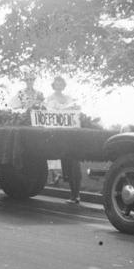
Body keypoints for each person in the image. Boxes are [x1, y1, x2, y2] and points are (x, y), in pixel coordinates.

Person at [45, 76, 82, 204]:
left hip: (69, 133)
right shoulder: (49, 98)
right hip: (55, 132)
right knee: (61, 159)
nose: (59, 85)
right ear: (53, 85)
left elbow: (73, 109)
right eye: (57, 83)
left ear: (63, 85)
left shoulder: (68, 98)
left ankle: (75, 194)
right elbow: (50, 112)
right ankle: (57, 176)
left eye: (61, 83)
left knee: (73, 162)